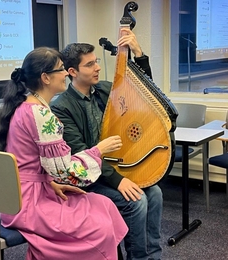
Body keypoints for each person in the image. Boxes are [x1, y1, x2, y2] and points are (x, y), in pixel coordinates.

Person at [0, 47, 128, 260]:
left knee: (103, 204)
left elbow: (36, 167)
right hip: (28, 204)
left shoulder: (26, 107)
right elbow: (66, 172)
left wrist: (50, 183)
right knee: (98, 225)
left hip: (26, 194)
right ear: (45, 77)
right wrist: (99, 150)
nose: (66, 73)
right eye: (61, 69)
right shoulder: (40, 114)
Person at [51, 28, 163, 260]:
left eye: (96, 62)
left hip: (117, 167)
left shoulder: (103, 90)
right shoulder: (61, 107)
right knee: (137, 201)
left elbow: (146, 91)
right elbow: (80, 152)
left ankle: (153, 256)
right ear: (72, 71)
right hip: (89, 177)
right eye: (90, 64)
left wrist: (138, 53)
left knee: (155, 194)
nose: (97, 67)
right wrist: (118, 180)